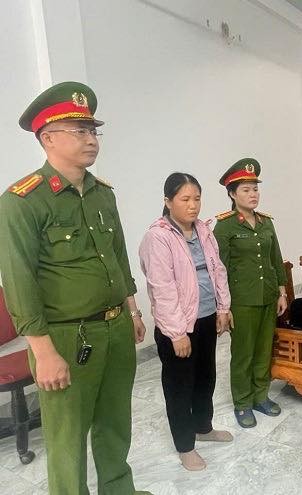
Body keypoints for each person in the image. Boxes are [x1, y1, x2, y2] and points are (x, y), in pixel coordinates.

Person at [0, 82, 151, 494]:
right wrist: (43, 352)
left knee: (115, 423)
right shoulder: (22, 201)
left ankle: (119, 489)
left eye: (93, 130)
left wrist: (133, 311)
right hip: (66, 337)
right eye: (78, 131)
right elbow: (18, 282)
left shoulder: (103, 194)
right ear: (48, 138)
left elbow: (118, 257)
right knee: (67, 439)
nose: (90, 139)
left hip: (116, 328)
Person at [139, 172, 234, 471]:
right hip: (178, 327)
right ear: (168, 202)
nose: (193, 206)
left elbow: (217, 270)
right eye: (185, 199)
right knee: (180, 385)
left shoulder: (204, 230)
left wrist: (223, 308)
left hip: (207, 318)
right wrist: (177, 333)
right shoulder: (158, 237)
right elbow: (162, 288)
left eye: (197, 199)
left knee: (206, 377)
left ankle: (203, 428)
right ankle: (185, 445)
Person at [213, 158, 287, 428]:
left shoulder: (266, 223)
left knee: (263, 350)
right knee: (243, 353)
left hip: (268, 297)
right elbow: (218, 269)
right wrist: (224, 307)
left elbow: (275, 259)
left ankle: (260, 396)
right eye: (245, 190)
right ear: (232, 194)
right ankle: (242, 403)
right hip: (241, 301)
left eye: (255, 189)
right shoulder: (225, 226)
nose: (253, 194)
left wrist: (281, 292)